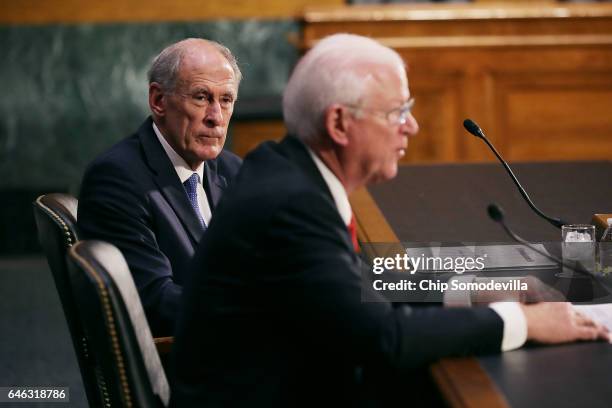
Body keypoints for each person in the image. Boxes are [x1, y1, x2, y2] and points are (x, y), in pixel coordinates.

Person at [170, 34, 608, 407]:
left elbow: (355, 281)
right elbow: (381, 339)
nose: (413, 126)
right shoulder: (292, 203)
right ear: (339, 123)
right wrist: (520, 322)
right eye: (397, 112)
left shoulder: (282, 165)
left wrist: (473, 289)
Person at [77, 38, 242, 336]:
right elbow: (154, 302)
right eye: (202, 97)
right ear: (158, 101)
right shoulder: (116, 179)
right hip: (192, 366)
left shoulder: (233, 170)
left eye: (226, 100)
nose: (216, 117)